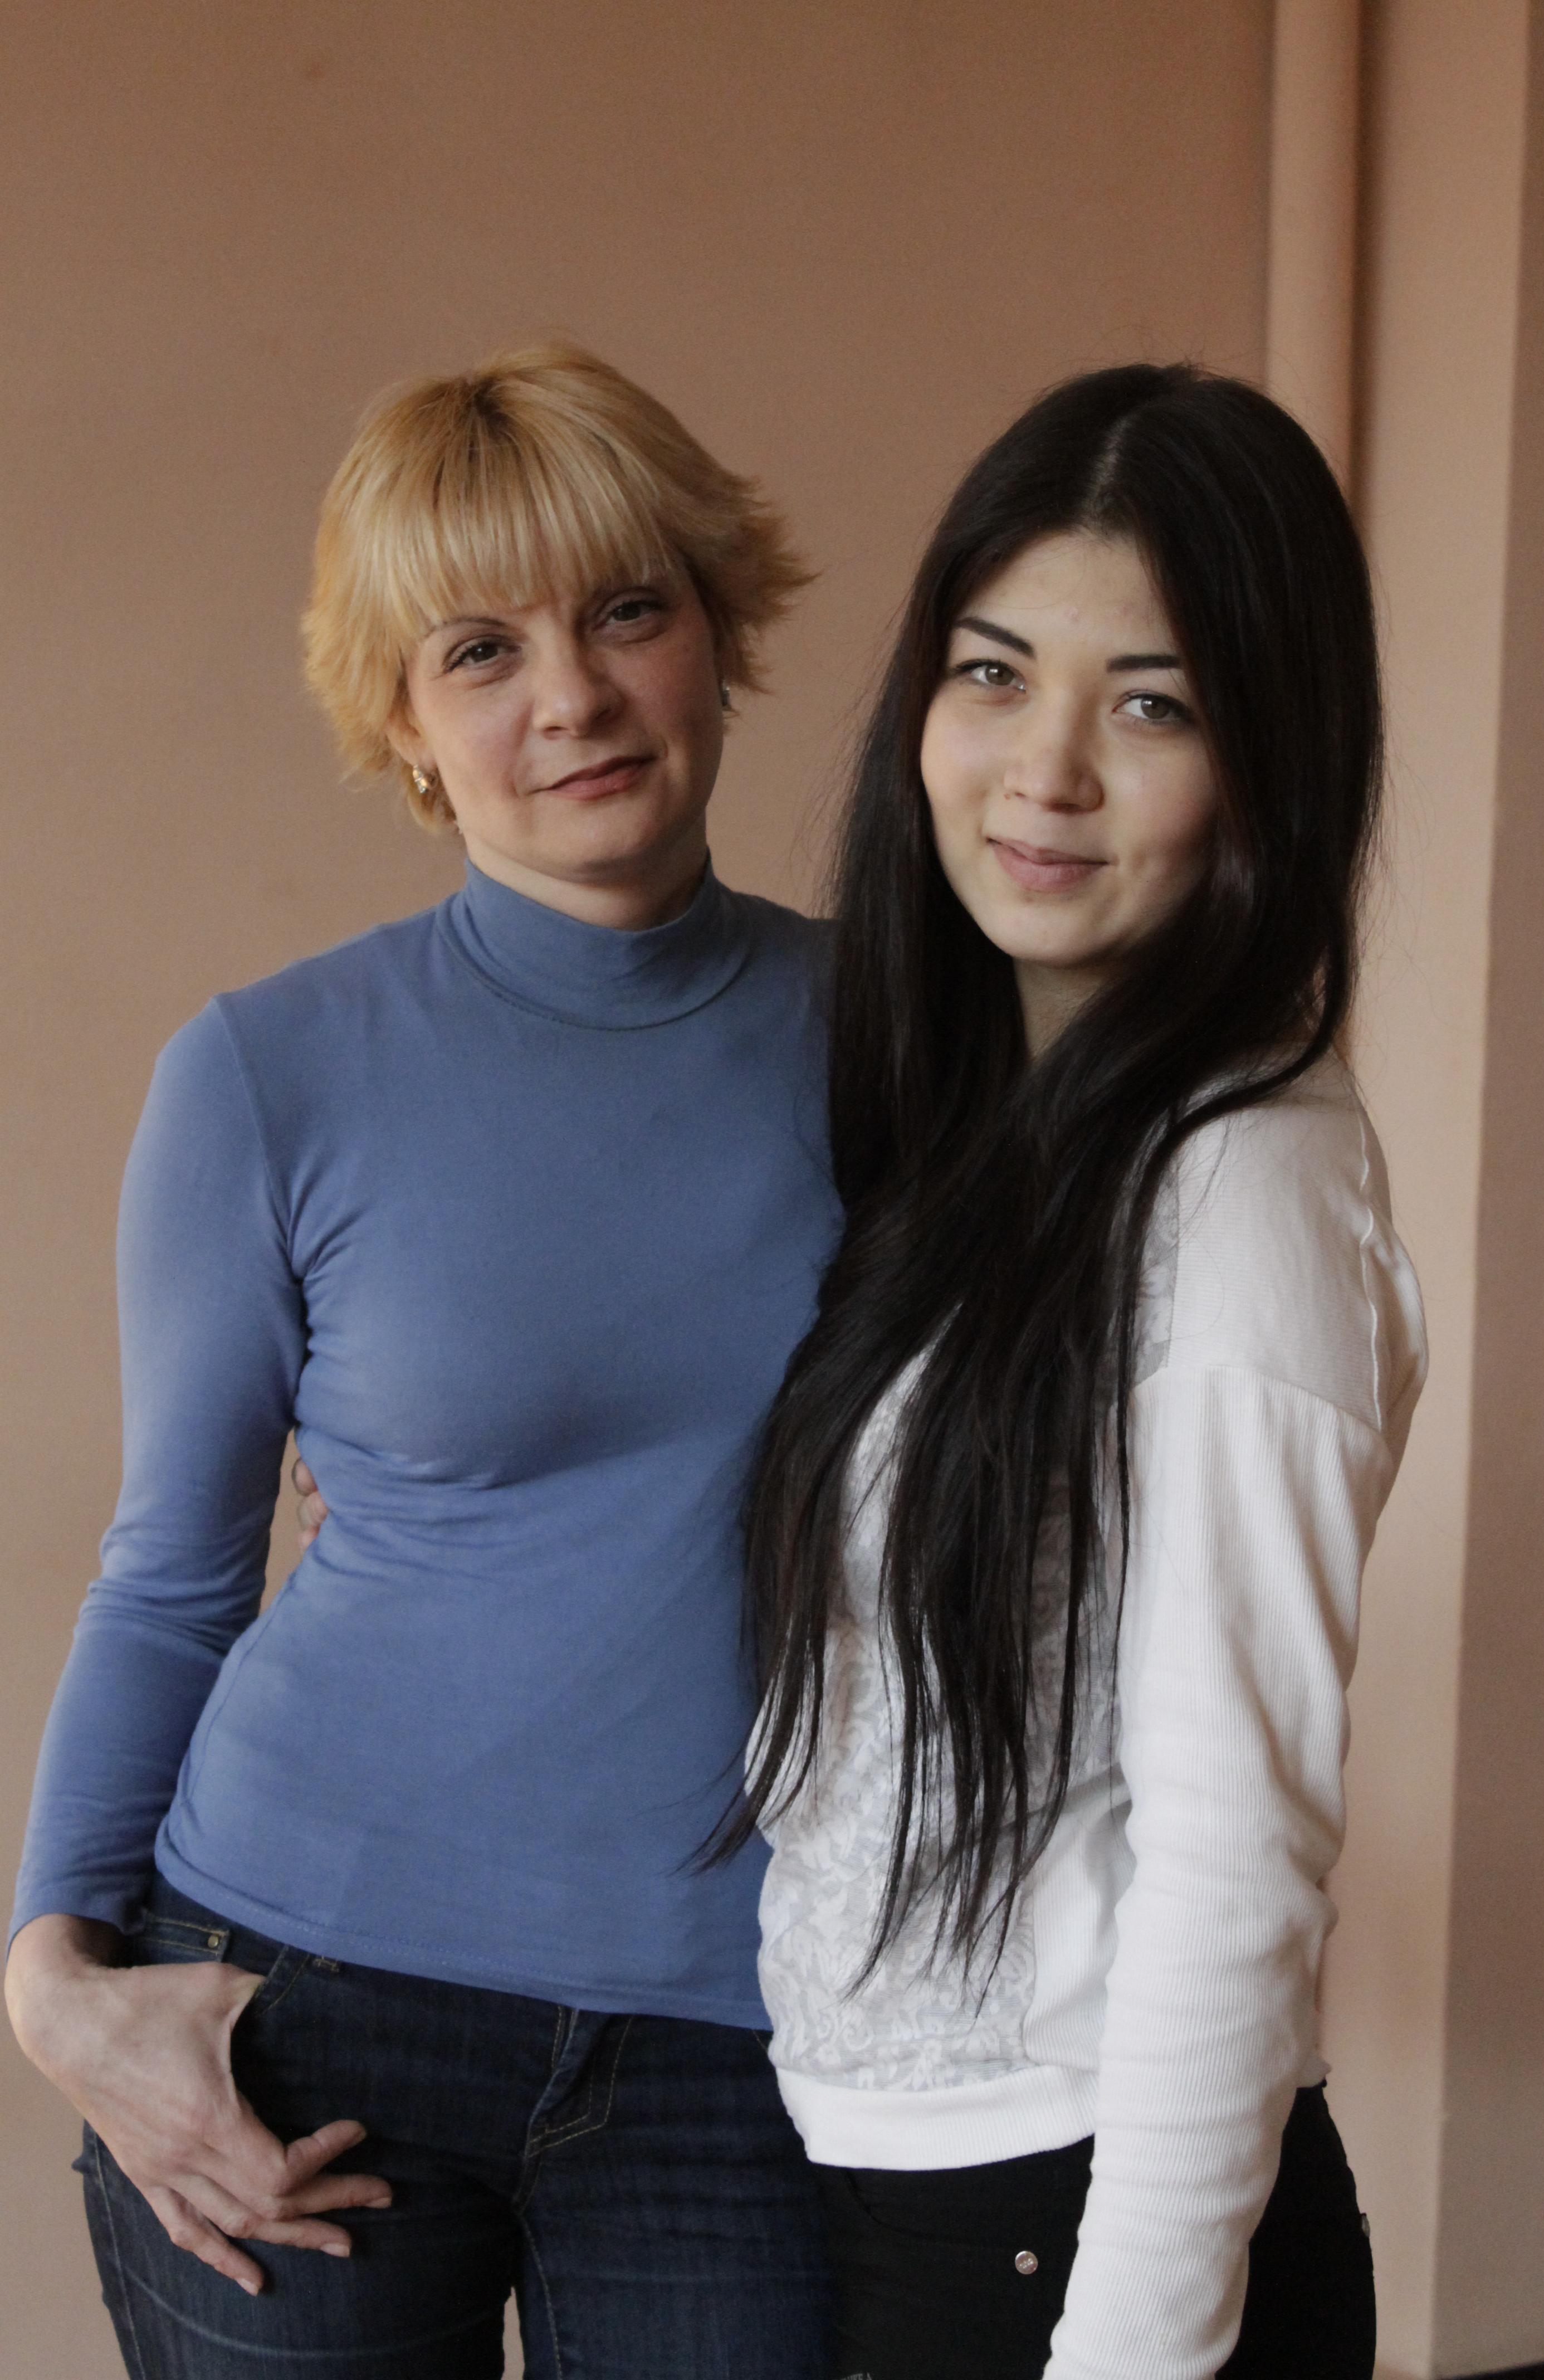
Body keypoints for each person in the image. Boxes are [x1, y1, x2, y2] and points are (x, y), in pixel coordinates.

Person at [5, 346, 841, 2378]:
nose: (573, 697)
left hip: (748, 2039)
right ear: (405, 720)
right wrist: (53, 1986)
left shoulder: (914, 1041)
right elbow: (175, 1571)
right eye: (482, 650)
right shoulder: (265, 1075)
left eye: (627, 611)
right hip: (303, 2008)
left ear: (718, 631)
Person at [732, 365, 1427, 2379]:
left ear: (1272, 765)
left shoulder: (1243, 1177)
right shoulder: (994, 1136)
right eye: (992, 672)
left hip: (1071, 2231)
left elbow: (1238, 1852)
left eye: (1152, 706)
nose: (1043, 772)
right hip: (910, 2195)